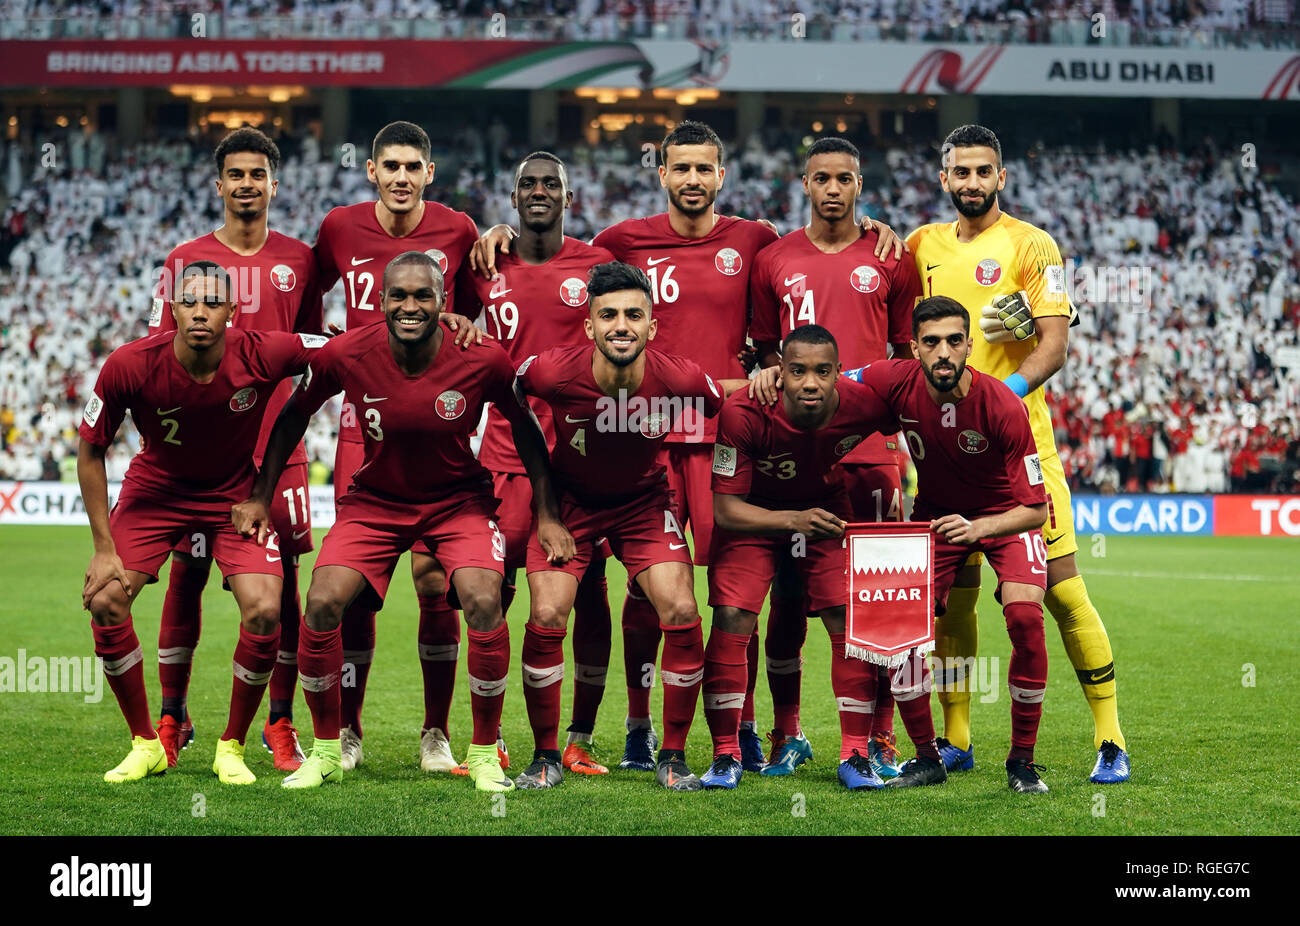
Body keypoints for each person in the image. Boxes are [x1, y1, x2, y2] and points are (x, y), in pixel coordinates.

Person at [474, 121, 902, 773]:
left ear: (721, 176)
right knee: (644, 596)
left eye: (705, 169)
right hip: (646, 439)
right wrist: (504, 238)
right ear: (663, 173)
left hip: (726, 435)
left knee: (744, 591)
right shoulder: (620, 243)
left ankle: (752, 728)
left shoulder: (756, 241)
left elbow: (813, 258)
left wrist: (865, 223)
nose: (694, 180)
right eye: (682, 169)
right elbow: (554, 262)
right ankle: (640, 727)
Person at [233, 251, 573, 792]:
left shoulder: (481, 356)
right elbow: (293, 413)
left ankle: (483, 752)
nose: (409, 306)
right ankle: (325, 750)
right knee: (322, 603)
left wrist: (549, 513)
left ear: (444, 302)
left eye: (422, 296)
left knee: (484, 600)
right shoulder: (348, 352)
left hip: (458, 502)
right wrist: (258, 495)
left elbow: (526, 426)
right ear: (382, 300)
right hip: (376, 503)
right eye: (399, 296)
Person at [907, 124, 1130, 784]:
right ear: (943, 179)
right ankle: (956, 738)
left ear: (1001, 177)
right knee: (954, 600)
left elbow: (1054, 345)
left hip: (1020, 452)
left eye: (983, 171)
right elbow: (902, 342)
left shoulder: (1034, 246)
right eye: (960, 172)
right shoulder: (919, 246)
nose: (972, 182)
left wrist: (994, 396)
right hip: (944, 461)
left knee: (1061, 593)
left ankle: (1110, 737)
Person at [79, 261, 324, 784]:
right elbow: (90, 450)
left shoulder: (262, 351)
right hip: (155, 491)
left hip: (233, 494)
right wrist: (104, 548)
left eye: (213, 303)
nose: (200, 311)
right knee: (105, 599)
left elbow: (334, 347)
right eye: (190, 301)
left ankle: (231, 746)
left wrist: (437, 324)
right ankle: (145, 741)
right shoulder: (129, 364)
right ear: (172, 309)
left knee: (265, 609)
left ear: (232, 312)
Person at [512, 261, 750, 791]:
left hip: (643, 504)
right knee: (548, 613)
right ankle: (546, 755)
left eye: (634, 315)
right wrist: (546, 510)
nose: (622, 325)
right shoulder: (552, 371)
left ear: (652, 326)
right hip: (570, 504)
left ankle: (672, 756)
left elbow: (730, 394)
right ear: (589, 326)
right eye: (609, 315)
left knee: (683, 609)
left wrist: (772, 377)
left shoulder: (679, 376)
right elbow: (504, 391)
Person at [313, 121, 488, 773]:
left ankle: (436, 734)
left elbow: (474, 312)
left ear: (429, 172)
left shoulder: (458, 230)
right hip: (363, 423)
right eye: (391, 165)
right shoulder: (339, 227)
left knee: (436, 578)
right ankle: (350, 731)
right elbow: (309, 297)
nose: (402, 176)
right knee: (354, 587)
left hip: (437, 418)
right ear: (372, 172)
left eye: (414, 165)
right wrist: (320, 342)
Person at [147, 126, 322, 773]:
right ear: (218, 184)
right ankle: (173, 715)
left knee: (285, 589)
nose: (247, 184)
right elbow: (155, 358)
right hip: (199, 455)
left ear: (274, 184)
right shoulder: (184, 259)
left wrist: (299, 420)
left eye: (258, 174)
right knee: (186, 572)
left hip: (280, 451)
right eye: (236, 174)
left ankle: (278, 722)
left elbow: (320, 351)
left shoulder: (302, 260)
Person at [747, 136, 921, 780]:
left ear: (859, 184)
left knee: (877, 599)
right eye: (821, 178)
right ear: (804, 183)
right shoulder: (773, 259)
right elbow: (764, 350)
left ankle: (879, 737)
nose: (833, 189)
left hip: (872, 453)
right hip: (791, 451)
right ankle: (788, 731)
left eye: (844, 178)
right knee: (790, 597)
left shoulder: (891, 258)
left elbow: (904, 353)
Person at [845, 295, 1052, 793]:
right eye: (932, 342)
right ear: (913, 346)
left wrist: (980, 528)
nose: (943, 352)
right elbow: (831, 377)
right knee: (899, 629)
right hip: (936, 519)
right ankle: (926, 757)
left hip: (1005, 518)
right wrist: (768, 374)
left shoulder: (1002, 403)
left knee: (1025, 617)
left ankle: (1021, 762)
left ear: (969, 345)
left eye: (954, 341)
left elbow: (1036, 510)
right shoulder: (894, 379)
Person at [463, 151, 617, 776]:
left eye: (550, 184)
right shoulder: (484, 264)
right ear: (513, 196)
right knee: (492, 596)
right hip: (504, 459)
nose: (538, 192)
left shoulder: (598, 266)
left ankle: (577, 736)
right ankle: (489, 739)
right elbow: (445, 319)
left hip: (582, 460)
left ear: (569, 196)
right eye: (527, 184)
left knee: (588, 595)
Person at [705, 324, 897, 791]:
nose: (809, 382)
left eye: (822, 371)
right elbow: (726, 510)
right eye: (797, 371)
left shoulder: (865, 404)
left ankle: (855, 754)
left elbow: (916, 412)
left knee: (847, 616)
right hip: (755, 516)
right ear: (780, 372)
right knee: (732, 615)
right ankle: (726, 754)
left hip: (827, 513)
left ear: (838, 373)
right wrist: (792, 520)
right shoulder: (743, 411)